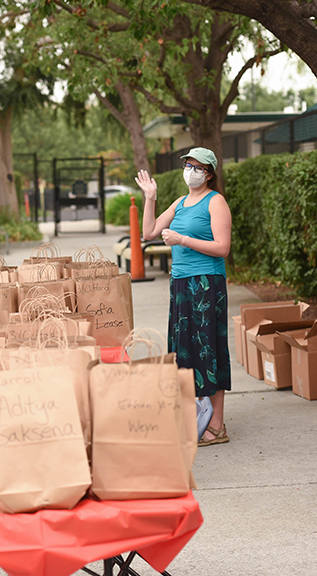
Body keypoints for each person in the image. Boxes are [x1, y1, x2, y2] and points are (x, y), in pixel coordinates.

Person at [135, 147, 233, 447]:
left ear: (209, 173)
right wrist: (150, 198)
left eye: (197, 166)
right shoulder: (180, 203)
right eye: (188, 165)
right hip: (180, 285)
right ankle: (196, 418)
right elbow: (149, 231)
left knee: (209, 350)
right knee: (186, 351)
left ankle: (216, 425)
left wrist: (183, 240)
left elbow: (222, 247)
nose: (191, 170)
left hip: (205, 284)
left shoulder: (215, 202)